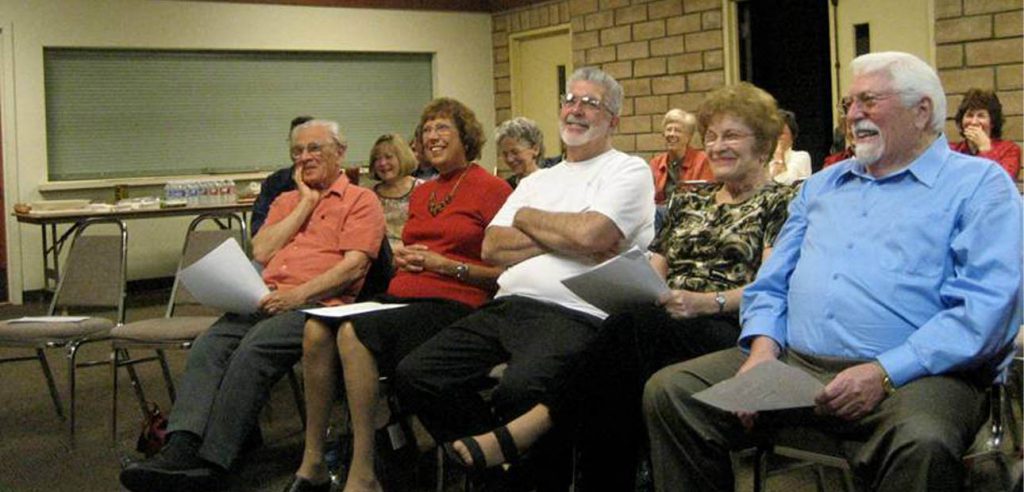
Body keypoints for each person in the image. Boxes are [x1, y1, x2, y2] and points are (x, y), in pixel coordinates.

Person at [643, 51, 1022, 492]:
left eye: (869, 101)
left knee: (922, 440)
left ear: (922, 111)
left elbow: (985, 310)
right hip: (795, 363)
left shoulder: (979, 185)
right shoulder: (823, 185)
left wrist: (883, 371)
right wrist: (763, 350)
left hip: (919, 374)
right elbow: (771, 284)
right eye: (848, 104)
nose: (853, 115)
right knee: (672, 393)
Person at [437, 82, 796, 491]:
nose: (716, 147)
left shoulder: (782, 202)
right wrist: (637, 285)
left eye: (731, 136)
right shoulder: (688, 202)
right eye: (711, 136)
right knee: (616, 377)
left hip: (726, 324)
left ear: (764, 144)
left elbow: (770, 287)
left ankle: (533, 427)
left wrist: (705, 303)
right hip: (665, 319)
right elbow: (656, 269)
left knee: (626, 334)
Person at [395, 66, 655, 490]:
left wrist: (530, 219)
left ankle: (523, 473)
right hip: (508, 305)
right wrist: (568, 234)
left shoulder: (628, 170)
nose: (576, 110)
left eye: (591, 103)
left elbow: (594, 234)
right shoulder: (540, 179)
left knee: (521, 389)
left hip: (575, 311)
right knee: (416, 373)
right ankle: (506, 474)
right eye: (570, 100)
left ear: (614, 120)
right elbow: (492, 247)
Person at [120, 119, 387, 492]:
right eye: (297, 152)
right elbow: (261, 250)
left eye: (314, 149)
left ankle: (213, 461)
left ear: (340, 152)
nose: (304, 158)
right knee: (209, 345)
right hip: (264, 297)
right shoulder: (285, 200)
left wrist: (299, 295)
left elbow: (354, 265)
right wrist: (306, 203)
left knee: (254, 348)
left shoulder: (361, 200)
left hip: (320, 305)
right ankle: (180, 448)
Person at [284, 98, 512, 492]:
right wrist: (405, 261)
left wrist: (445, 266)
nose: (432, 136)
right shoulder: (423, 194)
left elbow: (508, 274)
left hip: (458, 304)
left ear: (466, 137)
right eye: (426, 130)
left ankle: (363, 470)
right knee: (316, 330)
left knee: (354, 333)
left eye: (443, 128)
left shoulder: (492, 189)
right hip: (403, 297)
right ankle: (313, 461)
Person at [251, 115, 315, 234]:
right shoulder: (275, 182)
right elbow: (257, 230)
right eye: (297, 147)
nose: (305, 156)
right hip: (280, 248)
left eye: (312, 147)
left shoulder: (332, 183)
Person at [950, 88, 1021, 179]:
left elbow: (1002, 182)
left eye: (981, 116)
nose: (974, 122)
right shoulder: (952, 151)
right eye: (969, 115)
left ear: (992, 122)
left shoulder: (1009, 150)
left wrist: (985, 150)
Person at [368, 133, 422, 250]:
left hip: (415, 254)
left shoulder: (423, 189)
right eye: (377, 159)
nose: (382, 163)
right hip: (379, 259)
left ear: (402, 158)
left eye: (388, 157)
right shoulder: (368, 195)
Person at [648, 109, 713, 206]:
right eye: (669, 129)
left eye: (677, 130)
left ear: (688, 137)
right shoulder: (655, 163)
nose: (671, 134)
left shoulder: (703, 161)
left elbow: (706, 198)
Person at [495, 116, 545, 189]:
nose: (509, 159)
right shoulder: (506, 188)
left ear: (535, 149)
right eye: (505, 154)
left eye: (515, 152)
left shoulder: (551, 183)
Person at [768, 109, 812, 185]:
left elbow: (787, 183)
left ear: (792, 136)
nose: (776, 137)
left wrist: (779, 157)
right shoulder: (762, 160)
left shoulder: (801, 157)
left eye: (781, 133)